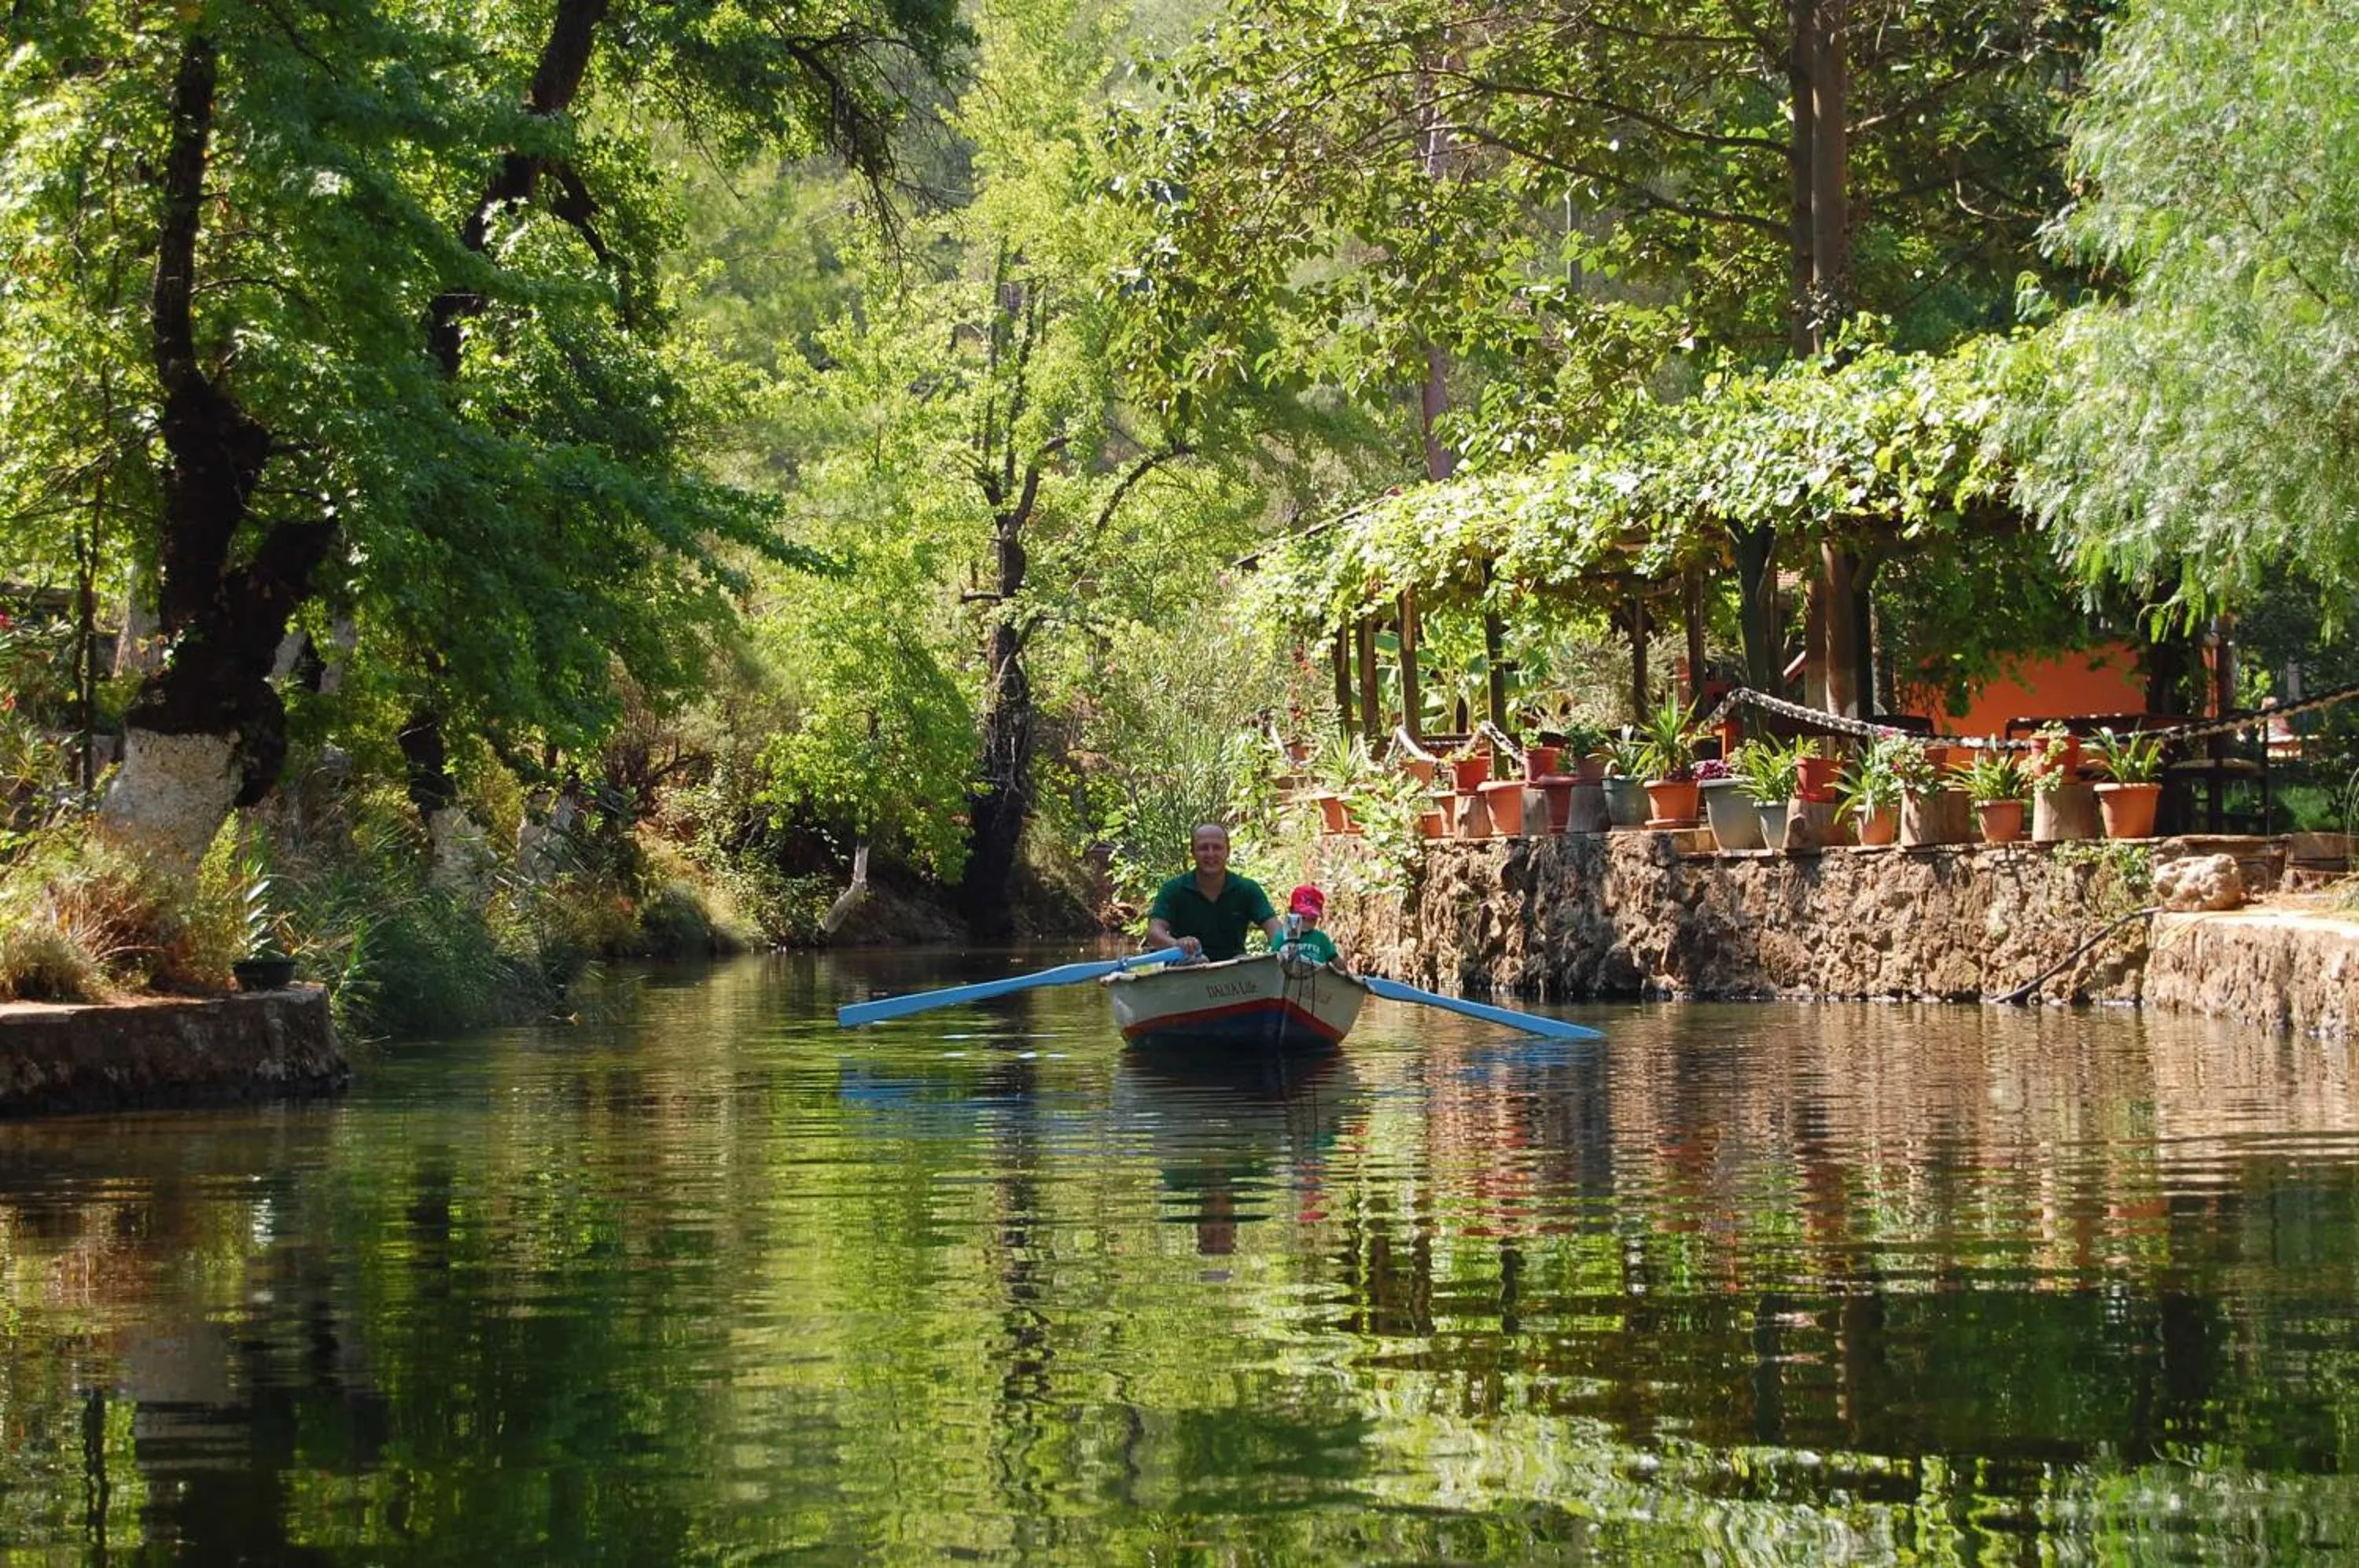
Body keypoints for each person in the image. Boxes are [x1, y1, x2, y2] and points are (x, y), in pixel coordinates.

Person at [1144, 823, 1283, 961]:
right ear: (1192, 852)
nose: (1211, 854)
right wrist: (1178, 944)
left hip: (1236, 970)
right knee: (1197, 960)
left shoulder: (1247, 889)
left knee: (1247, 961)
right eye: (1203, 848)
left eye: (1217, 848)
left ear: (1228, 851)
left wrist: (1284, 949)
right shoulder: (1173, 889)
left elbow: (1273, 927)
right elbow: (1154, 933)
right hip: (1186, 966)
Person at [1275, 883, 1349, 974]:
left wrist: (1347, 974)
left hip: (1317, 981)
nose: (1307, 921)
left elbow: (1336, 961)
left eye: (1312, 918)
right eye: (1303, 916)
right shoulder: (1280, 936)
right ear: (1291, 911)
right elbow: (1272, 963)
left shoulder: (1321, 938)